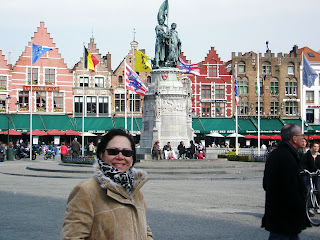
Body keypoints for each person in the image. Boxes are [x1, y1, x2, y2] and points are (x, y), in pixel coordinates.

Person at [61, 128, 153, 240]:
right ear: (101, 154)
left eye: (127, 152)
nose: (120, 157)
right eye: (113, 151)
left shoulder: (135, 190)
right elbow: (72, 237)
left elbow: (145, 229)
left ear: (132, 157)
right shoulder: (86, 191)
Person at [262, 124, 310, 240]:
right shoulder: (287, 157)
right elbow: (291, 187)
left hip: (282, 215)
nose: (303, 138)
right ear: (294, 138)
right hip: (285, 215)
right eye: (301, 135)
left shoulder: (281, 154)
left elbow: (266, 183)